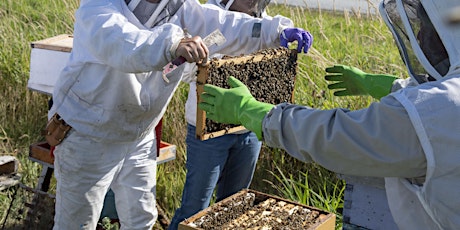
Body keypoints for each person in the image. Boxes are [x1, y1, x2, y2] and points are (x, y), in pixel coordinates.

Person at [48, 0, 312, 229]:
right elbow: (123, 44)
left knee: (141, 218)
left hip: (139, 137)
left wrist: (273, 30)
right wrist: (173, 44)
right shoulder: (98, 8)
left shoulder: (181, 9)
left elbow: (226, 25)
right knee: (78, 223)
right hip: (89, 137)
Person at [198, 0, 460, 229]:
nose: (422, 34)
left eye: (427, 27)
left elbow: (339, 137)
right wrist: (382, 85)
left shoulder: (440, 109)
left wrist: (255, 112)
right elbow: (428, 96)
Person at [168, 0, 310, 229]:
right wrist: (206, 68)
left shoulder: (267, 24)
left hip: (249, 128)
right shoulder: (208, 18)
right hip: (208, 130)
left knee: (233, 206)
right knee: (194, 210)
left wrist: (285, 36)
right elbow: (179, 72)